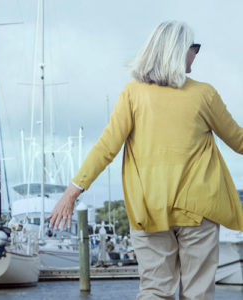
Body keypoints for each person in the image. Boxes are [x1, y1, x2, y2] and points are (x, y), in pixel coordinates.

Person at [47, 20, 243, 299]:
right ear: (177, 51)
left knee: (154, 290)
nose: (196, 54)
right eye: (194, 47)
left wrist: (72, 192)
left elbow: (106, 147)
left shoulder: (133, 93)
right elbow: (239, 141)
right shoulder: (204, 94)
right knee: (198, 293)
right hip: (199, 209)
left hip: (149, 208)